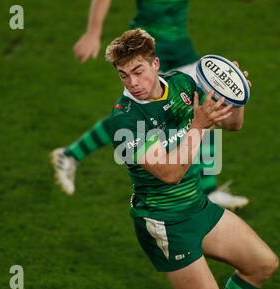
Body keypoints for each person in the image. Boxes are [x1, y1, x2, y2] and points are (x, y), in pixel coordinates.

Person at [106, 28, 278, 289]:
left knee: (262, 264)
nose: (132, 83)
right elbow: (170, 174)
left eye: (138, 72)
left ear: (156, 64)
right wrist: (198, 125)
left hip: (198, 208)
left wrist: (234, 95)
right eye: (123, 75)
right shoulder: (125, 120)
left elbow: (233, 125)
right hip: (166, 224)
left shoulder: (181, 85)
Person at [50, 0, 249, 210]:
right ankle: (71, 155)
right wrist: (93, 33)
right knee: (134, 119)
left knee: (202, 112)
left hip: (180, 50)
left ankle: (209, 191)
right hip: (145, 53)